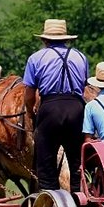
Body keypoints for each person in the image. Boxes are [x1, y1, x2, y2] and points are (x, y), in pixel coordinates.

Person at [23, 19, 89, 192]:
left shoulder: (36, 58)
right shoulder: (81, 57)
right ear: (66, 39)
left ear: (44, 40)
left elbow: (29, 95)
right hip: (76, 108)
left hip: (50, 108)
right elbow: (83, 87)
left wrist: (31, 114)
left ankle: (51, 202)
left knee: (46, 163)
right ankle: (79, 204)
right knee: (76, 163)